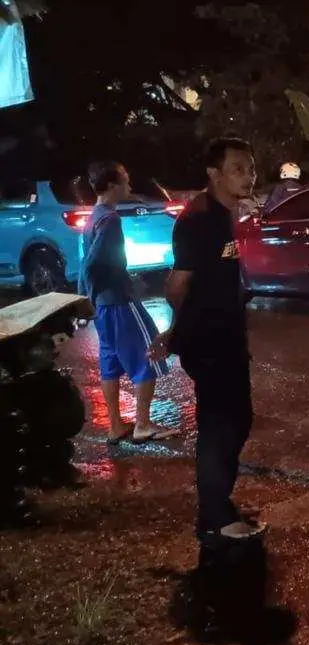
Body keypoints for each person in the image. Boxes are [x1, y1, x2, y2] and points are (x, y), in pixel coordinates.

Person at [151, 137, 263, 543]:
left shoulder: (224, 214)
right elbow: (176, 286)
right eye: (238, 168)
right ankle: (214, 514)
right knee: (220, 425)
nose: (248, 176)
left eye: (250, 168)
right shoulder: (200, 219)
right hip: (210, 343)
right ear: (213, 174)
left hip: (227, 337)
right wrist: (183, 328)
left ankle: (220, 504)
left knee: (238, 419)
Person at [79, 161, 178, 444]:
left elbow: (86, 261)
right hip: (120, 302)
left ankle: (115, 426)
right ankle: (143, 425)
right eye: (125, 181)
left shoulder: (95, 216)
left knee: (110, 361)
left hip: (104, 306)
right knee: (148, 354)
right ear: (112, 186)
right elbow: (93, 263)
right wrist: (89, 292)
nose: (130, 187)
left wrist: (88, 296)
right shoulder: (110, 220)